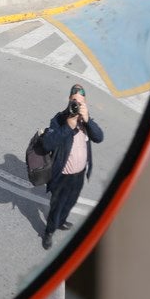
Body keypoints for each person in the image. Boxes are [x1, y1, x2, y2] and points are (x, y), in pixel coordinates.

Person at [40, 84, 104, 250]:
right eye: (74, 101)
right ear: (69, 101)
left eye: (80, 102)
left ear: (85, 103)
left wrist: (87, 119)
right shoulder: (60, 119)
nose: (76, 105)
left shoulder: (86, 121)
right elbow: (47, 144)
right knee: (57, 206)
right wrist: (68, 125)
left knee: (70, 202)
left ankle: (61, 221)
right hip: (62, 176)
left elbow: (99, 137)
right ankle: (49, 231)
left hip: (79, 175)